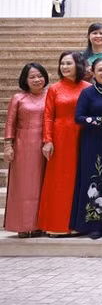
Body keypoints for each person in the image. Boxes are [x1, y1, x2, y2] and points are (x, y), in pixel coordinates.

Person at [38, 52, 90, 235]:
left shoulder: (88, 88)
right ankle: (57, 224)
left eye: (69, 63)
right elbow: (48, 116)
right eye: (62, 64)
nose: (64, 67)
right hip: (60, 138)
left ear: (78, 65)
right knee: (60, 180)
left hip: (83, 136)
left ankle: (79, 224)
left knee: (80, 178)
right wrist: (47, 140)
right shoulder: (54, 88)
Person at [71, 58, 102, 238]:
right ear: (93, 72)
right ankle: (93, 224)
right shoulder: (87, 93)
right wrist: (100, 120)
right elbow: (78, 118)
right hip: (92, 141)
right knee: (94, 178)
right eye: (100, 70)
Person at [3, 63, 49, 237]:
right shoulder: (18, 98)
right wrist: (8, 145)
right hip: (23, 146)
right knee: (23, 186)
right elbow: (10, 123)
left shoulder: (50, 95)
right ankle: (22, 225)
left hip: (46, 145)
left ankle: (39, 224)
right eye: (32, 77)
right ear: (25, 80)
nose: (37, 80)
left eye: (40, 76)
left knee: (42, 185)